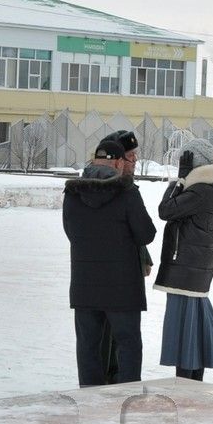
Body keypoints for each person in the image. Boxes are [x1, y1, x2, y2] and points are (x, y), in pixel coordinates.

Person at [62, 137, 157, 387]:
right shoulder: (126, 192)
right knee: (128, 343)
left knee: (88, 344)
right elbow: (146, 233)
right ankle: (127, 394)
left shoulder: (72, 193)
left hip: (84, 284)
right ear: (117, 163)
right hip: (122, 286)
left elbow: (70, 232)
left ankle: (90, 394)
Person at [155, 137, 213, 380]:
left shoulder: (200, 190)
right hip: (196, 264)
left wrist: (179, 180)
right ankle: (193, 378)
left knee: (185, 326)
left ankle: (187, 380)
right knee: (194, 323)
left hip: (186, 265)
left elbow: (165, 210)